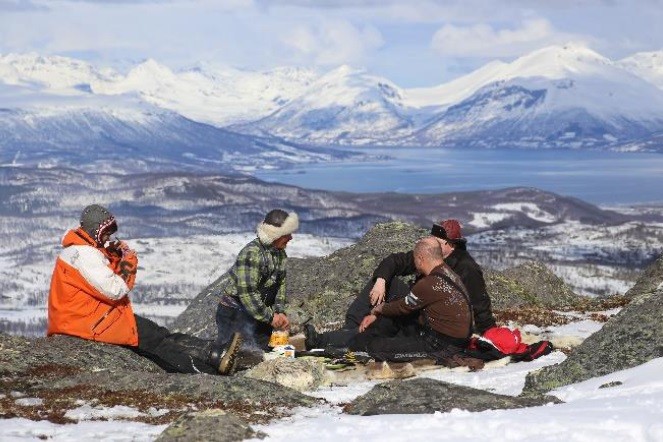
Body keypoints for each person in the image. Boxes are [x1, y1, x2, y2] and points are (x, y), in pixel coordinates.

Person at [48, 204, 242, 375]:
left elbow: (100, 280)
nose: (109, 237)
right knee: (155, 341)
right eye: (106, 233)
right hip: (89, 322)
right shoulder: (85, 255)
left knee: (157, 333)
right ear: (95, 232)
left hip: (86, 317)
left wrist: (113, 256)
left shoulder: (80, 250)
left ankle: (214, 353)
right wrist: (128, 260)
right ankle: (209, 371)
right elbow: (116, 289)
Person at [305, 219, 496, 349]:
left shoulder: (466, 268)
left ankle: (329, 340)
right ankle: (351, 328)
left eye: (436, 241)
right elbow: (395, 261)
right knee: (388, 281)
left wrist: (489, 336)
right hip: (417, 305)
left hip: (426, 318)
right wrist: (381, 281)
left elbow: (480, 304)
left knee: (384, 326)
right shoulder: (432, 255)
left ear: (450, 245)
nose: (430, 242)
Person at [350, 238, 473, 361]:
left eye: (415, 258)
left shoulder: (429, 283)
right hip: (454, 340)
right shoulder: (448, 273)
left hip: (441, 346)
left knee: (374, 347)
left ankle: (357, 348)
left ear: (420, 258)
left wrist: (377, 310)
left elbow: (401, 307)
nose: (414, 262)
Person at [216, 209, 298, 351]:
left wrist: (279, 311)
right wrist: (271, 318)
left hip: (258, 314)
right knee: (233, 354)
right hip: (235, 313)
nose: (291, 238)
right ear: (275, 235)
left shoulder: (280, 254)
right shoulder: (252, 254)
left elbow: (280, 284)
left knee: (268, 350)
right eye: (287, 234)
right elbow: (247, 293)